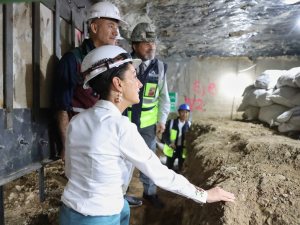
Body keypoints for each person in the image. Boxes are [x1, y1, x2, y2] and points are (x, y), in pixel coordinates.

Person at [59, 45, 235, 225]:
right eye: (134, 77)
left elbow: (72, 172)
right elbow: (159, 173)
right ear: (118, 84)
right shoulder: (120, 127)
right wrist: (203, 195)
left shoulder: (76, 121)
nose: (140, 84)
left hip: (68, 212)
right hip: (101, 217)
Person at [52, 2, 141, 207]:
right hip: (87, 135)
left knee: (120, 170)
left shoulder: (117, 57)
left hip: (111, 128)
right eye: (111, 25)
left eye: (116, 27)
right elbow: (61, 105)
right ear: (94, 27)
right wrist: (66, 144)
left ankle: (119, 196)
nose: (115, 32)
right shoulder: (72, 59)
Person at [127, 22, 170, 208]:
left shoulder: (160, 68)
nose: (151, 47)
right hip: (125, 123)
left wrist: (162, 120)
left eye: (153, 44)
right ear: (135, 46)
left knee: (148, 161)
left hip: (147, 126)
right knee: (123, 160)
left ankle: (150, 193)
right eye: (146, 44)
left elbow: (164, 97)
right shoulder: (124, 64)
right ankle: (122, 193)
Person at [162, 104, 191, 173]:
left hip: (182, 150)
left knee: (181, 170)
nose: (185, 114)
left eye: (187, 112)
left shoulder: (189, 125)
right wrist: (169, 143)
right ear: (179, 112)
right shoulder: (171, 122)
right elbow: (165, 135)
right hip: (171, 149)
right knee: (168, 169)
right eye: (183, 112)